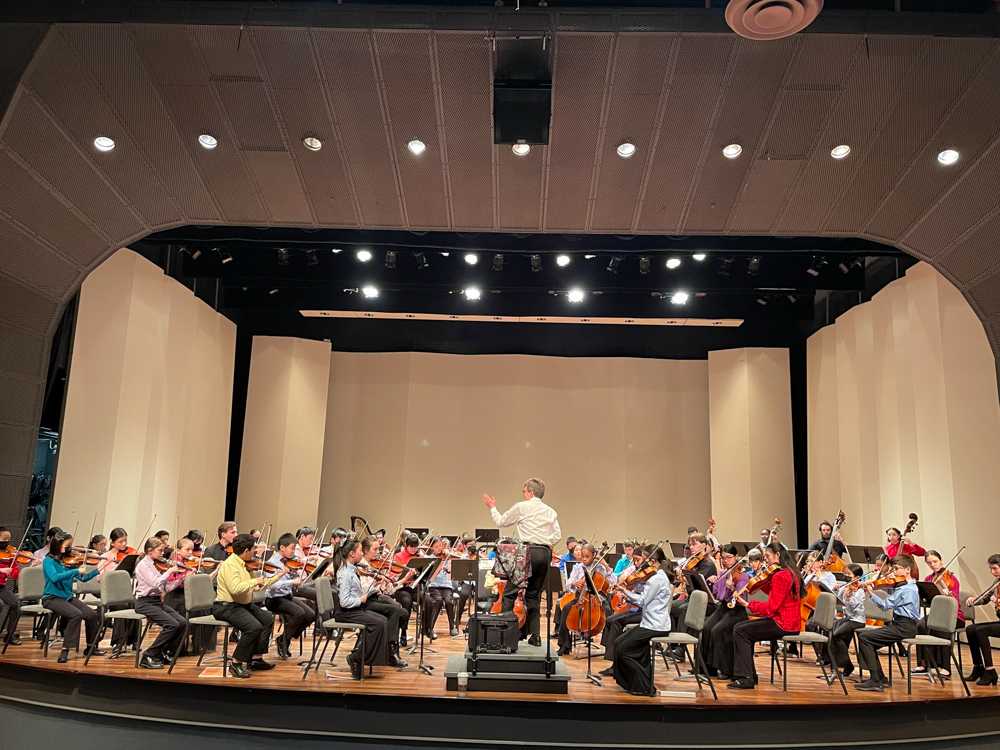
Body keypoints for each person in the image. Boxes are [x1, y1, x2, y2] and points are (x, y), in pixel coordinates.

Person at [483, 477, 562, 645]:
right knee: (534, 596)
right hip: (545, 553)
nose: (523, 494)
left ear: (530, 492)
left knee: (510, 594)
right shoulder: (551, 511)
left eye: (524, 491)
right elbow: (557, 535)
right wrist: (546, 542)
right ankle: (536, 637)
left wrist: (492, 507)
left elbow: (501, 521)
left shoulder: (522, 507)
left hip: (528, 552)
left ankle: (506, 636)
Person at [728, 543, 802, 689]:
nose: (766, 560)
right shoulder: (790, 572)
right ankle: (749, 675)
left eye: (767, 556)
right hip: (790, 622)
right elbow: (778, 595)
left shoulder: (781, 575)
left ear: (778, 555)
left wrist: (748, 605)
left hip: (783, 624)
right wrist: (763, 581)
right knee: (741, 628)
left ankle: (746, 677)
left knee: (740, 631)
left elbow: (771, 608)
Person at [212, 533, 285, 679]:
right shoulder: (230, 565)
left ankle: (255, 658)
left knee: (267, 619)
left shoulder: (245, 564)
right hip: (226, 606)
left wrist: (278, 576)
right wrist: (254, 581)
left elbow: (256, 586)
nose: (255, 553)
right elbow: (235, 589)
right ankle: (236, 662)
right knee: (253, 627)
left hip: (242, 605)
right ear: (246, 551)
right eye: (253, 549)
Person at [609, 552, 674, 697]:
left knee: (622, 649)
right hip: (650, 623)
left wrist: (624, 591)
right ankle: (633, 683)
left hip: (655, 626)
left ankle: (643, 685)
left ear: (652, 561)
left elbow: (641, 601)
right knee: (620, 642)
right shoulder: (659, 576)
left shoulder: (657, 579)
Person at [855, 554, 921, 692]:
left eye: (896, 569)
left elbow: (885, 605)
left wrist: (871, 593)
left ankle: (875, 680)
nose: (893, 573)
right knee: (867, 639)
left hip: (905, 627)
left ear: (907, 570)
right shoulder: (904, 587)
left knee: (865, 638)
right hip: (899, 625)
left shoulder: (907, 589)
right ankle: (879, 678)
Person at [41, 531, 103, 663]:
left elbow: (83, 578)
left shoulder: (67, 560)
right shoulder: (48, 561)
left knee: (91, 614)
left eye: (70, 545)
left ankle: (91, 647)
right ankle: (65, 650)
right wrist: (75, 570)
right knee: (76, 614)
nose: (70, 548)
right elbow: (54, 578)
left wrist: (97, 570)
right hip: (51, 598)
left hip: (66, 597)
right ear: (57, 545)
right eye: (67, 545)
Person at [335, 538, 388, 679]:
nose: (361, 554)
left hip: (354, 610)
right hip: (346, 612)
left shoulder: (352, 569)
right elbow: (344, 601)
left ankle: (363, 658)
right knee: (378, 624)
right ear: (352, 554)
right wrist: (361, 599)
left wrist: (371, 591)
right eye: (359, 551)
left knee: (382, 620)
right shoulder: (346, 573)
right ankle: (356, 658)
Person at [132, 537, 186, 669]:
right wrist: (170, 571)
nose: (162, 553)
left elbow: (165, 588)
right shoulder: (143, 566)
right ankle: (148, 655)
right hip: (144, 602)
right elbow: (155, 583)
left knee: (183, 623)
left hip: (156, 601)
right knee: (171, 624)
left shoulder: (155, 565)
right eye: (160, 550)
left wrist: (181, 579)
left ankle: (164, 652)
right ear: (150, 551)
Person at [599, 545, 653, 674]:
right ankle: (611, 654)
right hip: (635, 608)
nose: (635, 563)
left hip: (646, 613)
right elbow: (623, 579)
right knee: (611, 619)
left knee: (616, 621)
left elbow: (643, 599)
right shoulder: (636, 571)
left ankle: (615, 664)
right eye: (634, 560)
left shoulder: (652, 575)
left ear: (647, 559)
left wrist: (628, 591)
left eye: (638, 560)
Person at [556, 542, 615, 656]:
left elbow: (613, 581)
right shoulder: (578, 567)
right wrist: (574, 583)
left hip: (597, 597)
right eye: (582, 557)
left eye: (587, 557)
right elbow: (568, 584)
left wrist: (606, 566)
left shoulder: (600, 567)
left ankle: (608, 646)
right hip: (580, 597)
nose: (584, 559)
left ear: (593, 556)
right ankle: (564, 644)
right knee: (565, 609)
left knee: (608, 611)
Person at [700, 545, 750, 679]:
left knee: (718, 630)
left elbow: (741, 599)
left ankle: (724, 668)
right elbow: (717, 596)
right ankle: (706, 668)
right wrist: (712, 583)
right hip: (722, 608)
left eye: (729, 557)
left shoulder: (743, 576)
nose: (726, 560)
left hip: (736, 611)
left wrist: (732, 587)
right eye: (723, 558)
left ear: (736, 557)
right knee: (706, 628)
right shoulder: (722, 574)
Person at [266, 533, 316, 660]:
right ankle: (284, 641)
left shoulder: (289, 562)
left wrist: (297, 580)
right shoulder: (272, 563)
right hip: (274, 599)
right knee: (299, 613)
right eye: (292, 548)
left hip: (287, 597)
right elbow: (272, 585)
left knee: (310, 614)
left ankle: (284, 639)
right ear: (282, 548)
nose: (294, 552)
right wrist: (291, 582)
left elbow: (292, 583)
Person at [359, 536, 408, 667]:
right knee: (396, 611)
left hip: (376, 597)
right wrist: (376, 582)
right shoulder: (360, 566)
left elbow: (390, 591)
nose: (378, 553)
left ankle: (389, 647)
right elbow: (362, 591)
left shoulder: (372, 565)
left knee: (402, 612)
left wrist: (402, 580)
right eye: (375, 549)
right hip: (365, 602)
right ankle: (391, 652)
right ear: (365, 550)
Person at [913, 550, 963, 677]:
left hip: (954, 616)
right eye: (929, 563)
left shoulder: (951, 578)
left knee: (941, 629)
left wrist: (949, 596)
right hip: (937, 615)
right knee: (921, 625)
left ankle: (945, 667)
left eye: (935, 561)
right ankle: (924, 663)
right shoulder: (929, 579)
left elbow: (955, 601)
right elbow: (928, 601)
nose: (933, 565)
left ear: (941, 561)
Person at [815, 563, 866, 678]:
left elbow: (855, 608)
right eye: (845, 574)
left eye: (848, 575)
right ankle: (837, 667)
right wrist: (835, 590)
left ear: (857, 578)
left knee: (836, 634)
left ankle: (846, 666)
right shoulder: (846, 587)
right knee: (830, 631)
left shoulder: (860, 590)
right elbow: (838, 601)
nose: (846, 577)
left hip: (857, 620)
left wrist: (849, 596)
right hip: (847, 618)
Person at [963, 554, 1000, 686]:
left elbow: (994, 600)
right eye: (991, 569)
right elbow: (985, 597)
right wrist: (974, 601)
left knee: (981, 631)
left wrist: (998, 601)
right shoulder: (997, 582)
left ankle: (990, 671)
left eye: (995, 568)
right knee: (971, 629)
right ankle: (978, 667)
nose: (992, 572)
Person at [422, 536, 457, 639]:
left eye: (441, 546)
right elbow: (428, 576)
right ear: (431, 547)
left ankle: (452, 626)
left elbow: (452, 572)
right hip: (434, 586)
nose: (439, 549)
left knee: (449, 601)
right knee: (438, 601)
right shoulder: (429, 558)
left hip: (446, 585)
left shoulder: (448, 557)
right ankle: (430, 629)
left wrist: (448, 564)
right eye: (436, 546)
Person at [0, 526, 23, 646]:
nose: (7, 542)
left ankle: (10, 635)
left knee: (15, 604)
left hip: (1, 587)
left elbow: (14, 575)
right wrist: (2, 570)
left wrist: (16, 565)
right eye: (4, 539)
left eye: (8, 539)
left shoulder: (10, 553)